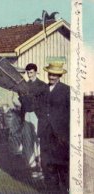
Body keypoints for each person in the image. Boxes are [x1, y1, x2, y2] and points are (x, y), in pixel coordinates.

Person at [37, 60, 70, 191]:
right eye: (50, 74)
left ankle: (65, 189)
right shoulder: (43, 89)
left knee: (61, 165)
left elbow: (70, 113)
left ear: (59, 76)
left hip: (60, 135)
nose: (51, 77)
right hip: (45, 133)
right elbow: (38, 107)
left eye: (54, 75)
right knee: (46, 164)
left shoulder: (66, 90)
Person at [19, 63, 46, 179]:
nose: (29, 75)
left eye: (31, 72)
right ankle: (32, 166)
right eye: (28, 73)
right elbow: (21, 101)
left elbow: (45, 103)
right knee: (28, 140)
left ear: (35, 72)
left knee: (38, 140)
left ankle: (41, 167)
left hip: (37, 115)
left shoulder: (42, 85)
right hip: (26, 114)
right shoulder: (25, 85)